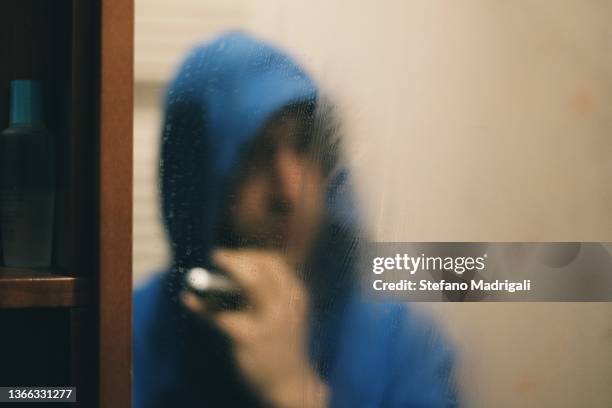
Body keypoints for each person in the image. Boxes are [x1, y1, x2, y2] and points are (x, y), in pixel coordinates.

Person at [133, 31, 456, 407]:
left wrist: (293, 391)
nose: (289, 192)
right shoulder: (132, 338)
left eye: (305, 145)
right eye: (254, 153)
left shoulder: (399, 345)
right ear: (198, 181)